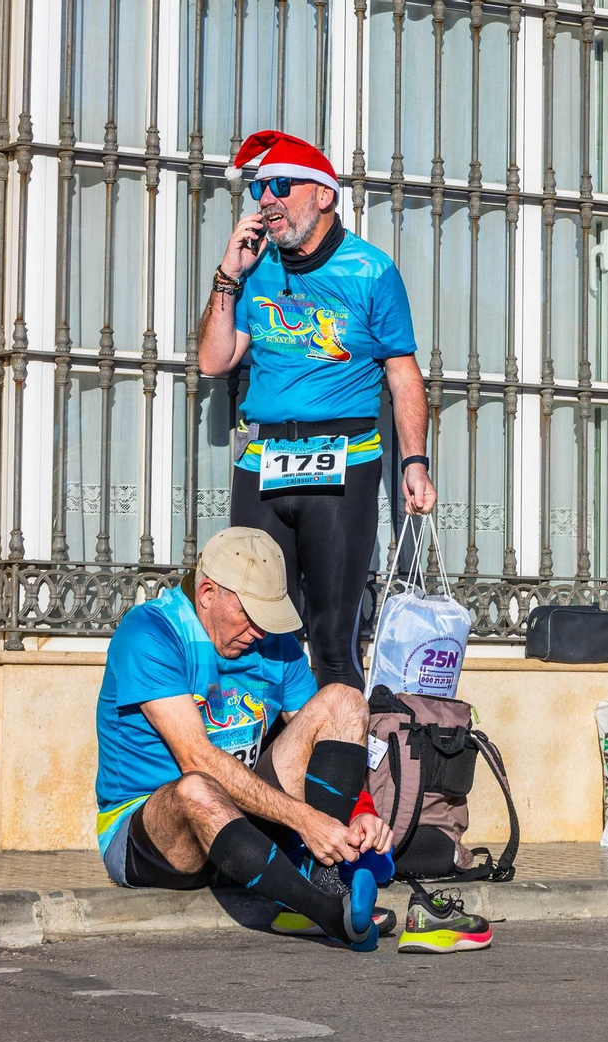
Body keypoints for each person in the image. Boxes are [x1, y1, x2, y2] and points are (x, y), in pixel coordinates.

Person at [197, 130, 436, 690]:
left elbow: (402, 373)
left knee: (331, 640)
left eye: (281, 185)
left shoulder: (371, 271)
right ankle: (266, 775)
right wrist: (228, 274)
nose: (267, 201)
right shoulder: (255, 269)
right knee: (258, 632)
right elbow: (214, 360)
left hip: (343, 460)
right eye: (259, 189)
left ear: (323, 195)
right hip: (263, 461)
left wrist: (414, 462)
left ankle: (338, 774)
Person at [94, 527, 388, 949]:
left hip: (240, 820)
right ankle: (325, 911)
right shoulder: (149, 633)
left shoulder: (275, 644)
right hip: (152, 834)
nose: (260, 633)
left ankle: (327, 876)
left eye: (268, 619)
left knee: (344, 700)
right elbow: (197, 758)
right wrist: (306, 821)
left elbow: (326, 730)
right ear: (208, 593)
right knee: (197, 787)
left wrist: (360, 810)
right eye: (250, 616)